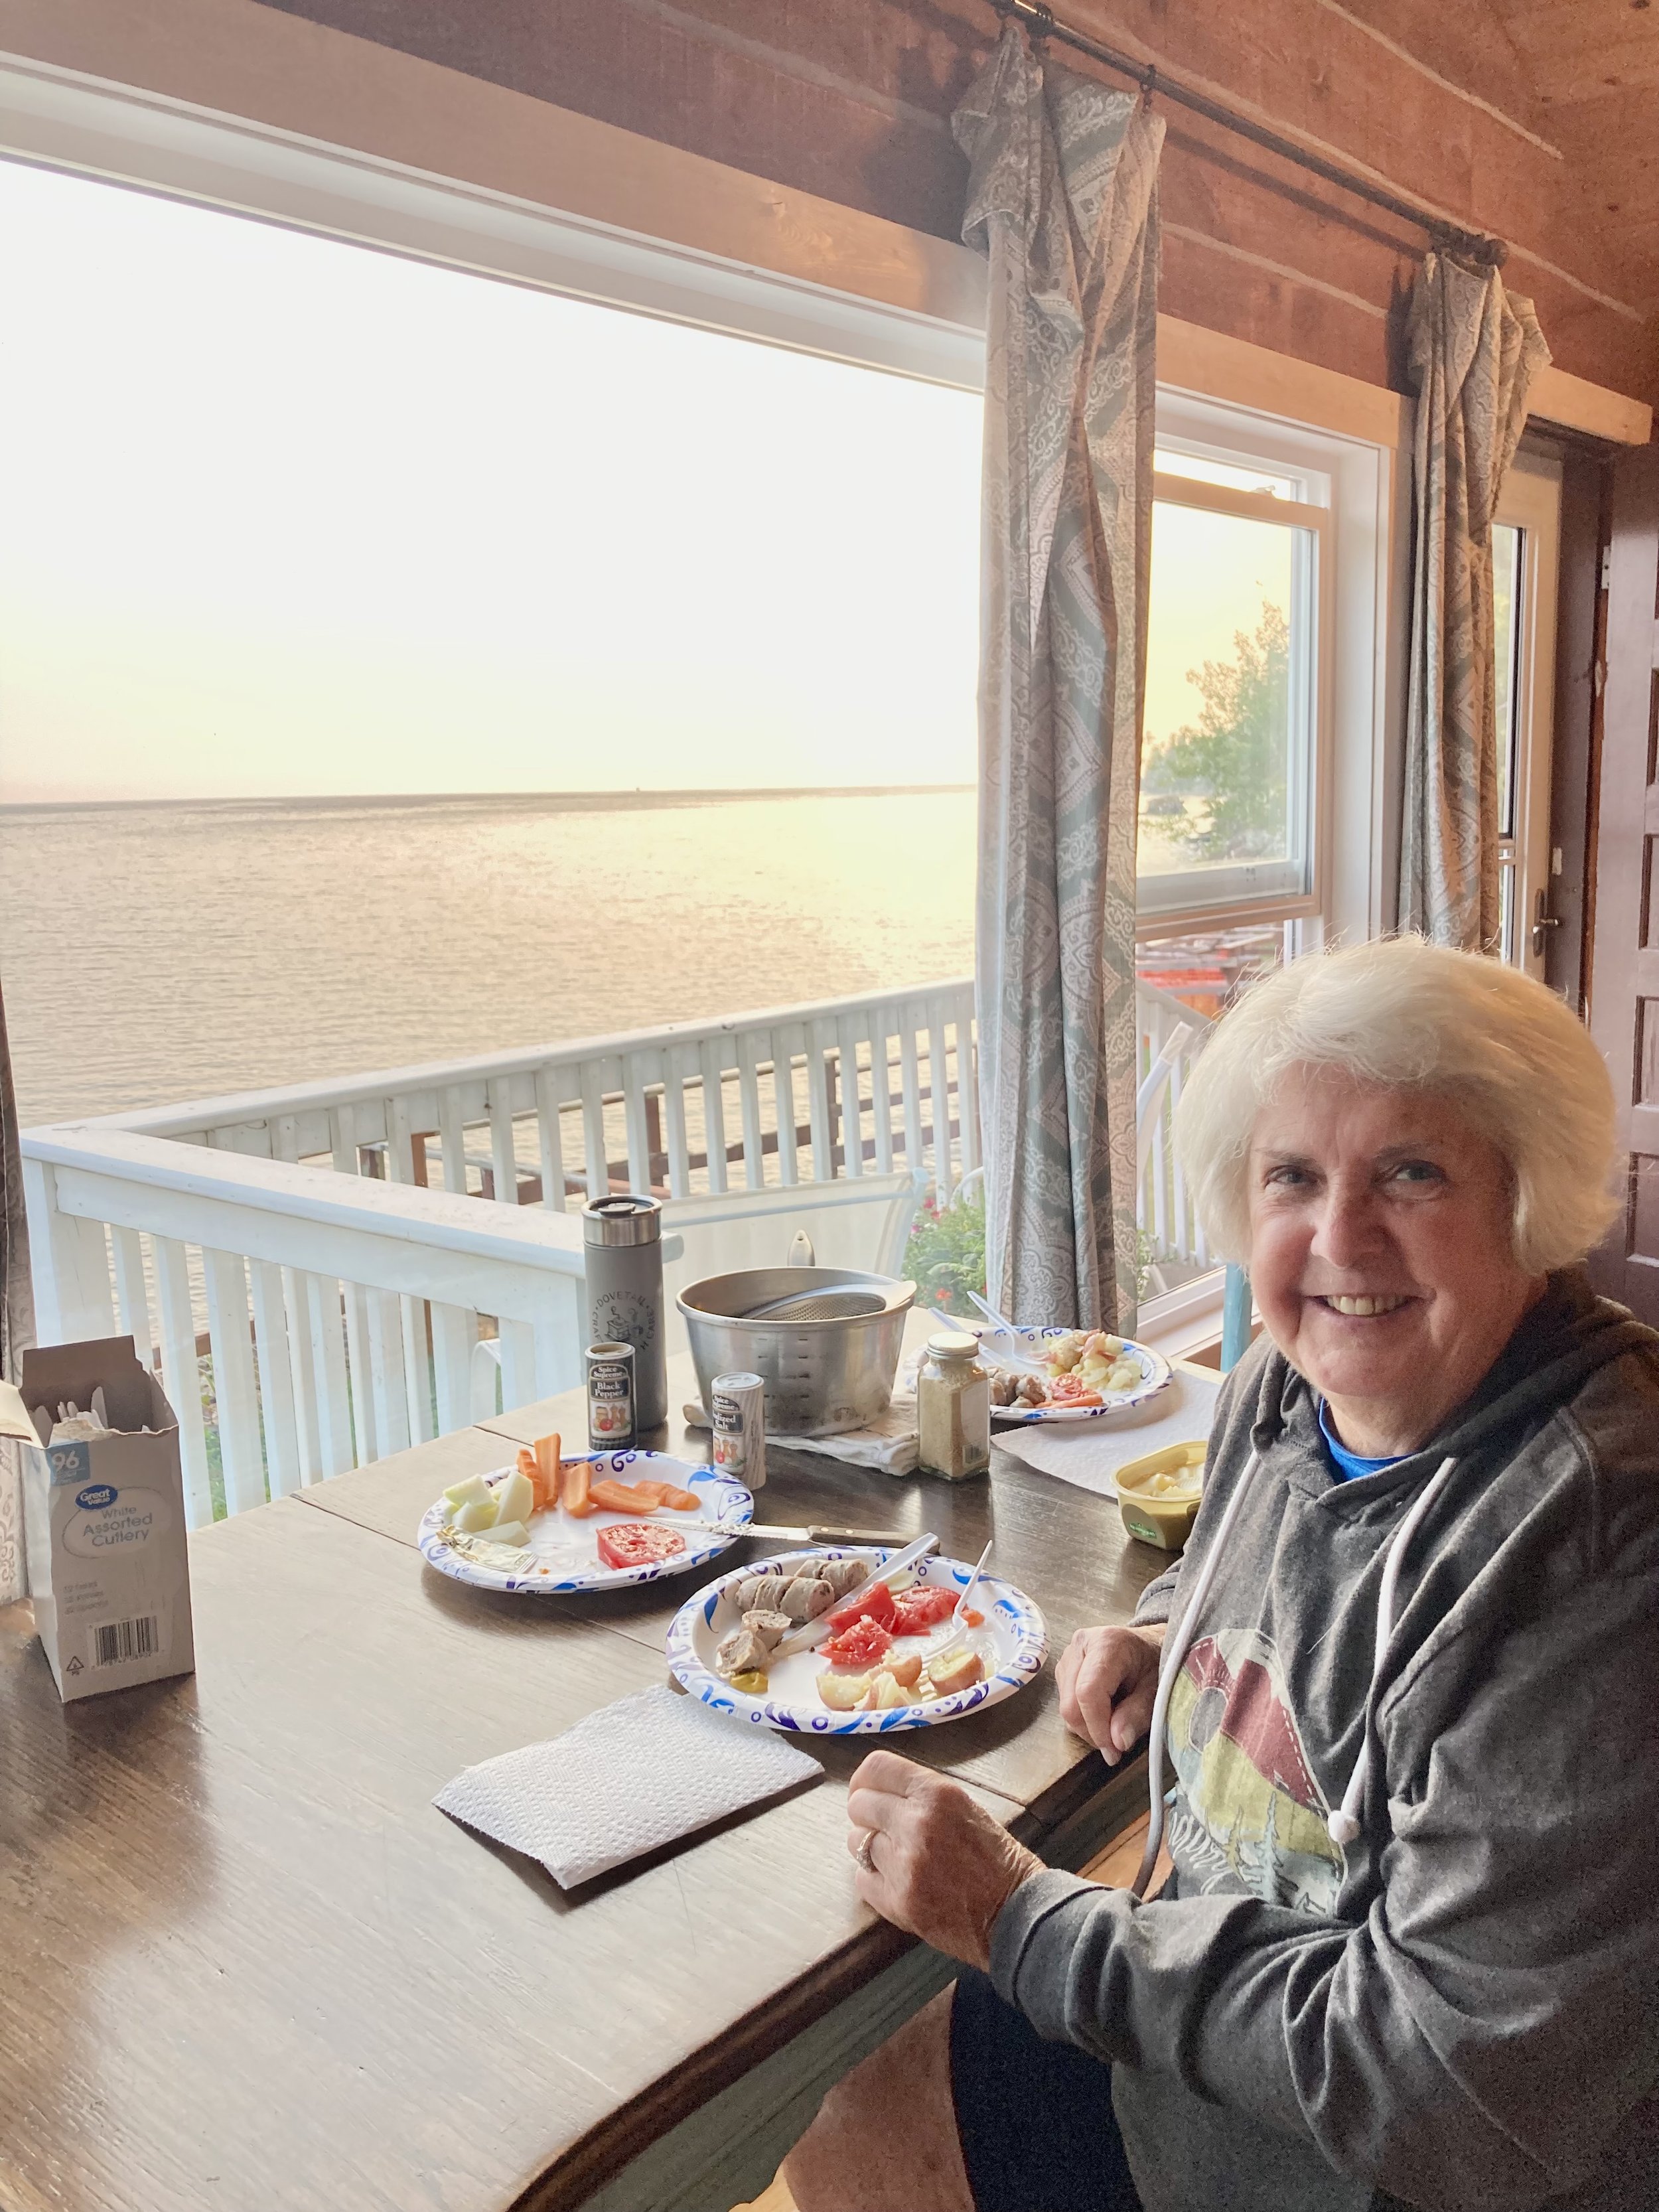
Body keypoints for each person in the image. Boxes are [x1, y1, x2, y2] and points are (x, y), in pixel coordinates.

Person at [784, 936, 1659, 2212]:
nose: (1338, 1239)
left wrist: (1028, 1917)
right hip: (1205, 2084)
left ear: (1526, 1193)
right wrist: (1169, 1625)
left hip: (1377, 2164)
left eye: (1412, 1172)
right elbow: (1244, 1548)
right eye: (1292, 1176)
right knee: (853, 2070)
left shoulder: (1599, 1538)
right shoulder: (1287, 1388)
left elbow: (1453, 2093)